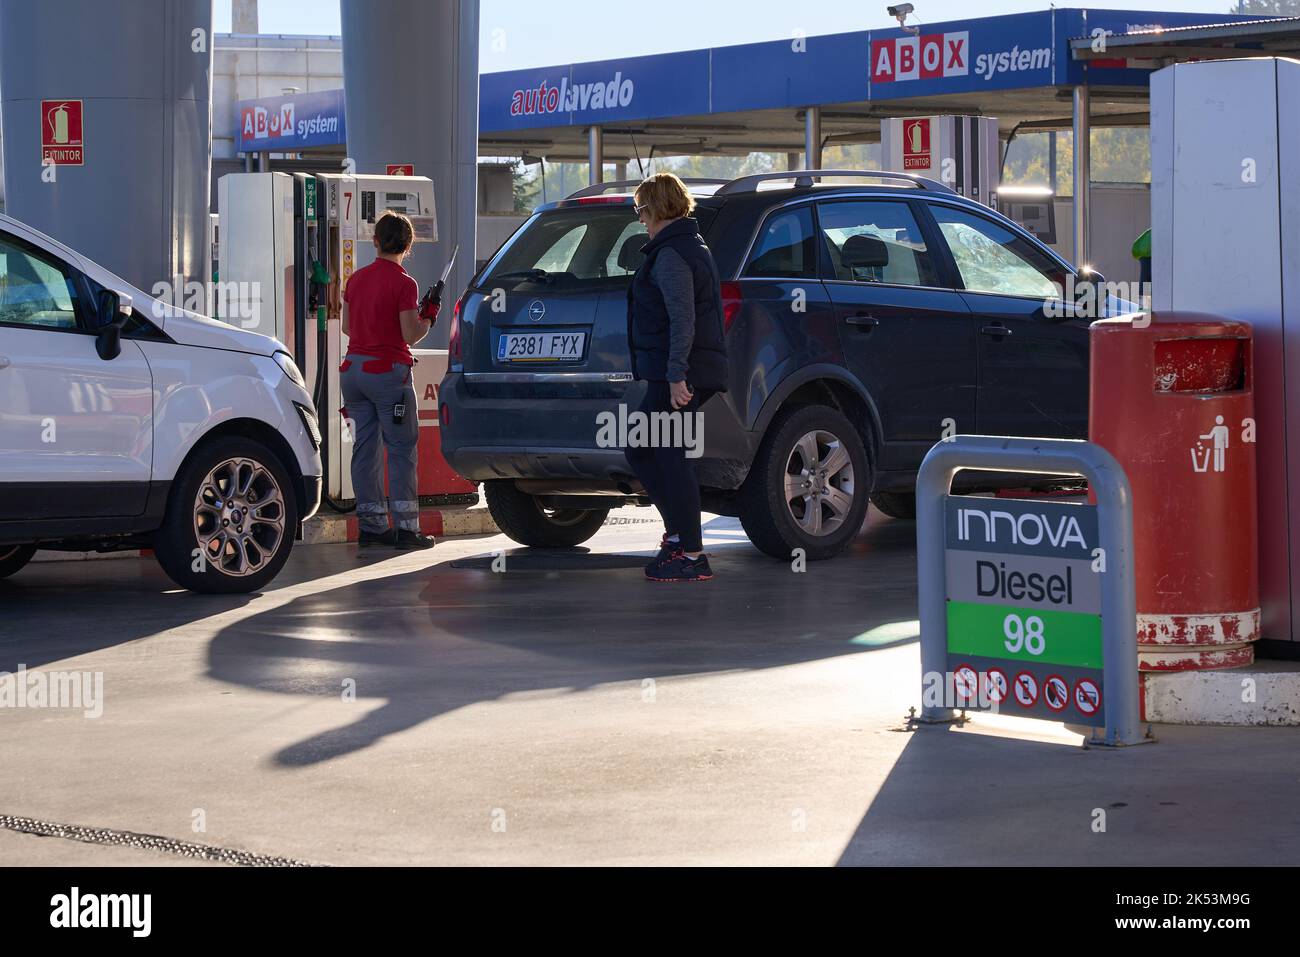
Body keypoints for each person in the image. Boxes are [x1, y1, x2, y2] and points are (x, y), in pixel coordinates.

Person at [625, 172, 728, 582]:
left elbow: (682, 320)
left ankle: (691, 553)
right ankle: (679, 539)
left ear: (655, 209)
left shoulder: (671, 255)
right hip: (677, 371)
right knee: (647, 450)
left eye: (641, 211)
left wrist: (677, 375)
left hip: (681, 373)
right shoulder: (683, 245)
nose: (640, 220)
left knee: (667, 454)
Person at [340, 211, 436, 549]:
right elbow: (410, 334)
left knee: (365, 449)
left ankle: (372, 527)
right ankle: (407, 529)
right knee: (400, 450)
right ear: (408, 246)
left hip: (352, 373)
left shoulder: (355, 280)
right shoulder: (404, 283)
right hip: (387, 376)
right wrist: (429, 318)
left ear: (376, 241)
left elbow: (347, 328)